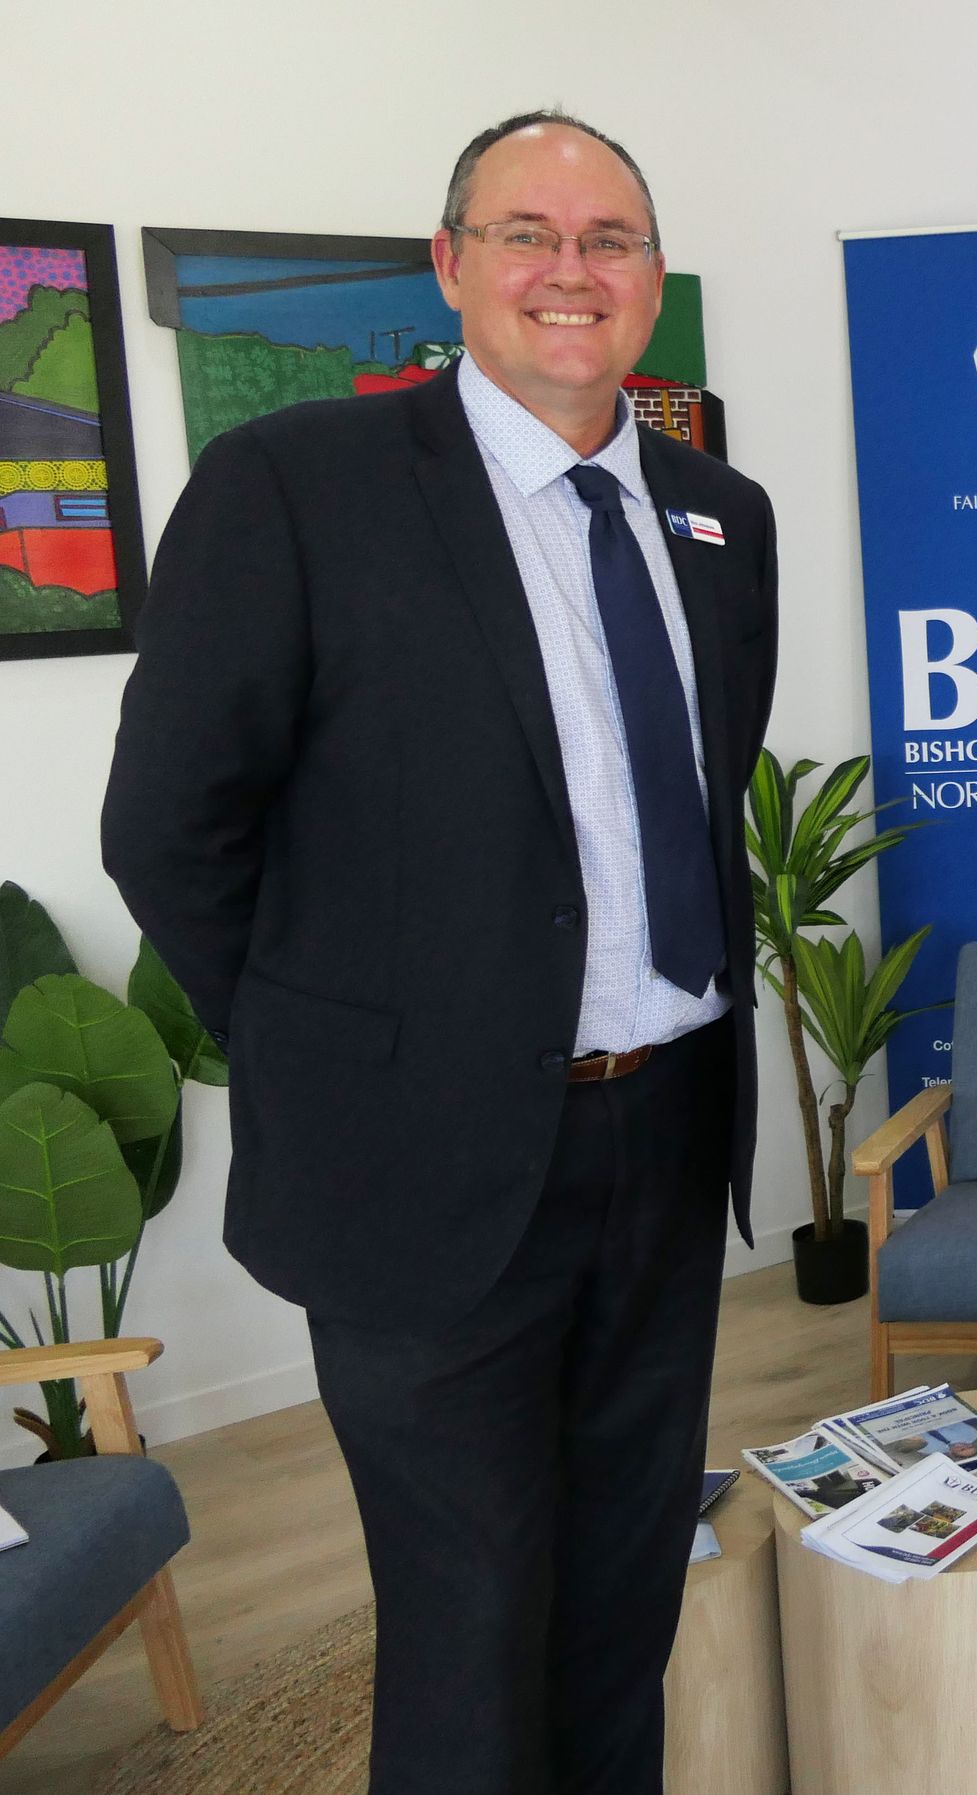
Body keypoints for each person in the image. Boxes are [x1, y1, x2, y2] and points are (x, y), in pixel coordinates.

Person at [101, 110, 778, 1795]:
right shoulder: (296, 487)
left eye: (609, 238)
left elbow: (700, 792)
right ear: (451, 265)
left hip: (665, 1131)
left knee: (627, 1588)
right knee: (470, 1619)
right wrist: (346, 1048)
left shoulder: (722, 514)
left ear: (653, 276)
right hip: (422, 1160)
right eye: (526, 233)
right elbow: (171, 827)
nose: (570, 269)